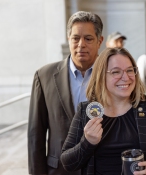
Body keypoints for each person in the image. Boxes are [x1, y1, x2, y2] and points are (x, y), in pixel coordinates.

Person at [60, 48, 146, 175]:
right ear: (101, 76)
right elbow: (67, 163)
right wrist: (87, 143)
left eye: (130, 70)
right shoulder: (86, 112)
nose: (126, 78)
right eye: (116, 72)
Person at [27, 11, 104, 175]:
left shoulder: (113, 74)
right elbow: (36, 135)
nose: (81, 44)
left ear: (99, 41)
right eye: (75, 38)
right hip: (59, 170)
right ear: (69, 39)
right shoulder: (44, 76)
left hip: (102, 168)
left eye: (88, 39)